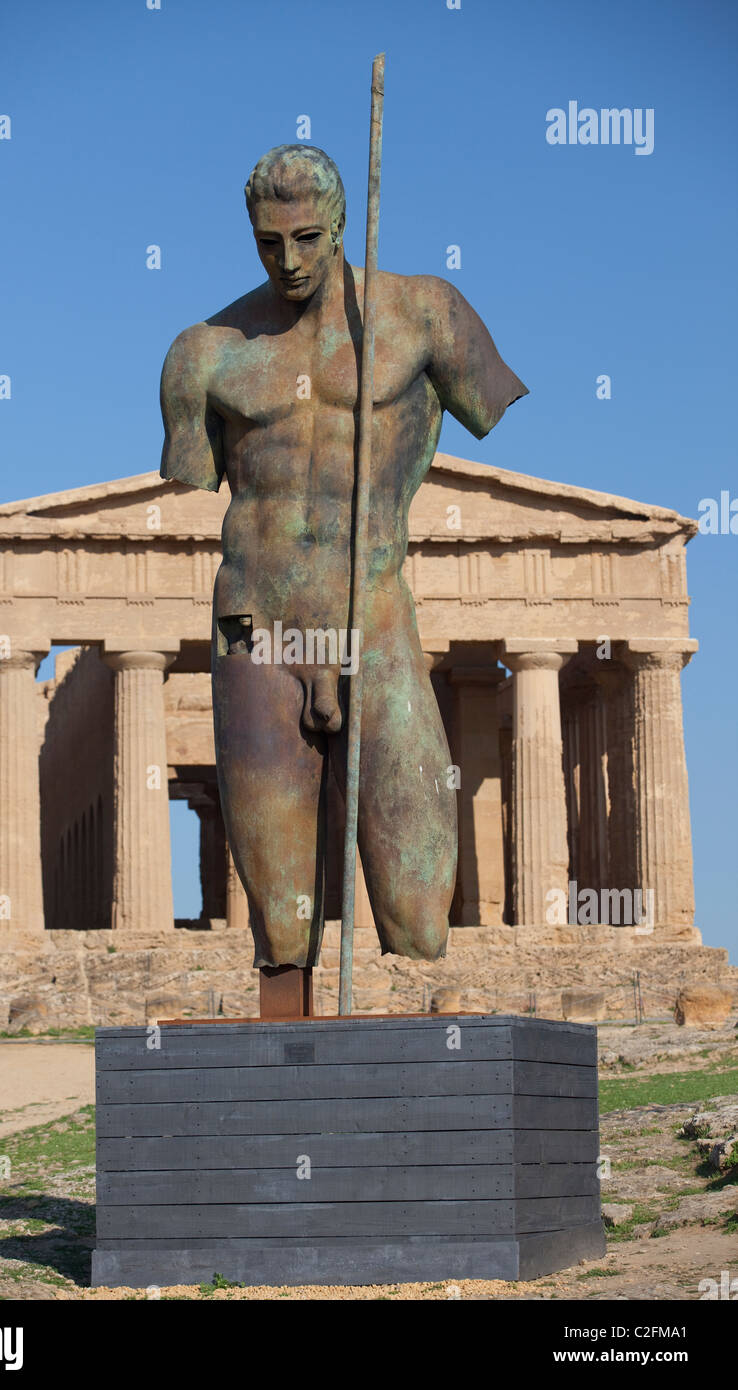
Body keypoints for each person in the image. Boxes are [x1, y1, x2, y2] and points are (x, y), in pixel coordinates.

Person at [160, 145, 527, 969]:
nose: (287, 261)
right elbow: (194, 483)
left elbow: (486, 405)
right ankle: (284, 1076)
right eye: (268, 242)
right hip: (258, 629)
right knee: (283, 926)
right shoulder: (205, 353)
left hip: (375, 616)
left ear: (342, 226)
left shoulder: (427, 315)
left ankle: (424, 1073)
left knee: (416, 912)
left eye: (307, 238)